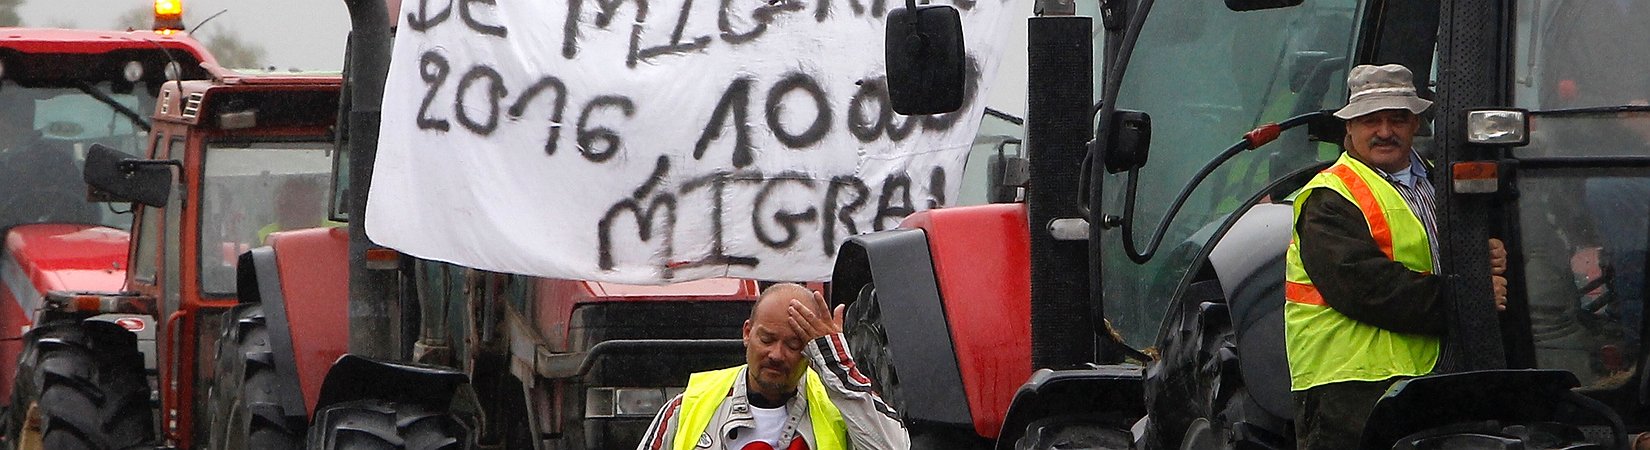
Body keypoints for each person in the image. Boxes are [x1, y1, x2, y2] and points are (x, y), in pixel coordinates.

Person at [1283, 63, 1509, 449]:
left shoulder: (1442, 183)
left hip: (1432, 379)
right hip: (1351, 394)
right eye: (1371, 120)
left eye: (1398, 119)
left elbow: (1438, 257)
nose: (1385, 132)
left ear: (1416, 124)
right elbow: (1367, 288)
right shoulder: (1329, 197)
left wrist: (1485, 253)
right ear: (1348, 128)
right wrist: (1473, 297)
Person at [635, 283, 909, 450]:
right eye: (767, 339)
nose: (776, 355)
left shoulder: (840, 405)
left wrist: (838, 369)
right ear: (747, 333)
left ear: (812, 350)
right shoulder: (688, 407)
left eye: (794, 345)